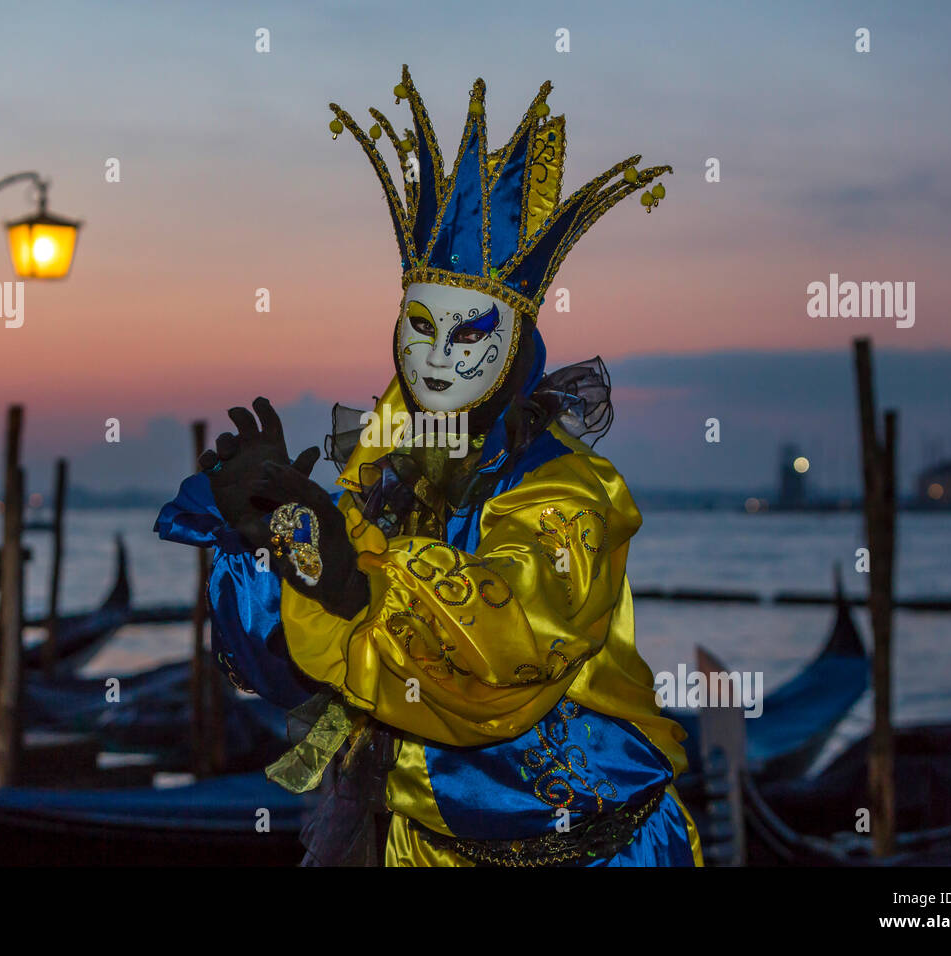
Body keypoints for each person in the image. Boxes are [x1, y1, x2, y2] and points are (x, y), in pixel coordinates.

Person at [155, 65, 701, 866]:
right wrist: (263, 544)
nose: (437, 358)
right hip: (421, 849)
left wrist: (347, 575)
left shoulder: (569, 495)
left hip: (593, 853)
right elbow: (295, 673)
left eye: (470, 333)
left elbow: (508, 645)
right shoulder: (384, 472)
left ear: (515, 347)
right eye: (419, 325)